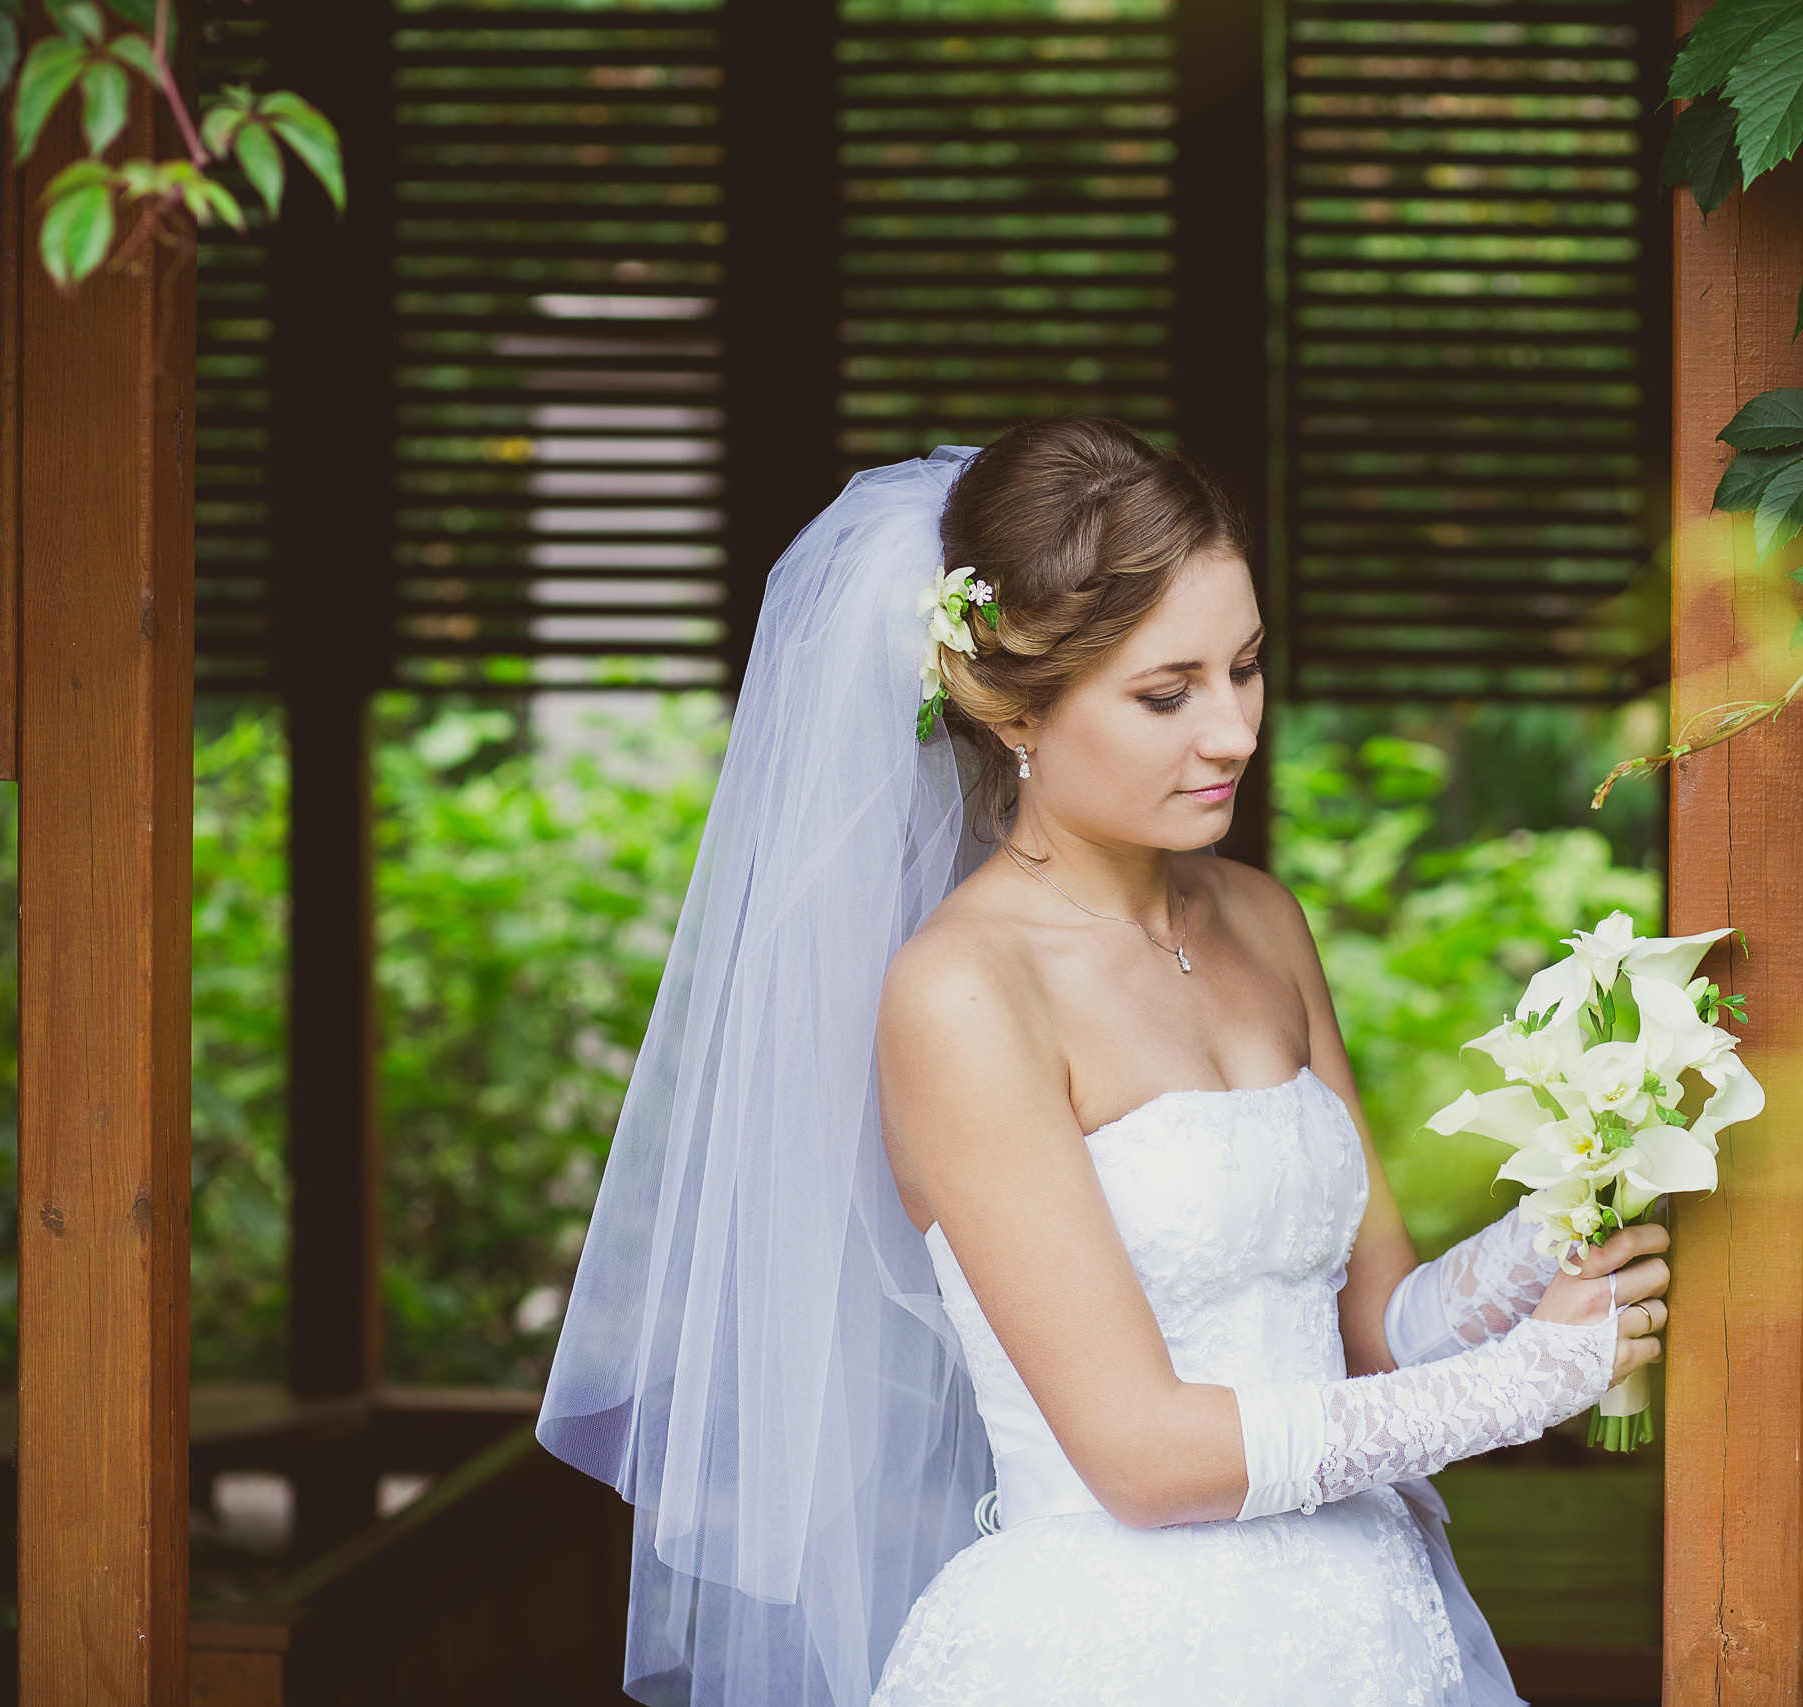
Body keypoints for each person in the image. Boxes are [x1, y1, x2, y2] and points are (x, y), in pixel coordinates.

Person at [539, 419, 1671, 1707]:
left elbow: (1375, 1332)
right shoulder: (963, 994)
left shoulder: (1261, 918)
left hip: (1372, 1630)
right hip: (1117, 1649)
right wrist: (1526, 1384)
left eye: (1245, 668)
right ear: (1011, 704)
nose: (1236, 731)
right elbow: (1141, 1454)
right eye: (1166, 693)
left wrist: (1561, 1233)